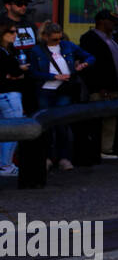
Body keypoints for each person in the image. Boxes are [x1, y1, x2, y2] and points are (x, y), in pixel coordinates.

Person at [33, 22, 93, 171]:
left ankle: (63, 157)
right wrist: (54, 76)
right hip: (46, 89)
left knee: (62, 125)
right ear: (45, 37)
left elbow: (90, 57)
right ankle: (47, 157)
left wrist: (84, 65)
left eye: (60, 38)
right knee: (46, 126)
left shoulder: (68, 46)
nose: (58, 42)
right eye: (54, 39)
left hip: (64, 89)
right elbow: (33, 73)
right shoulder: (36, 50)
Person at [79, 9, 118, 159]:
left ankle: (108, 148)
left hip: (117, 86)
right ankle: (100, 149)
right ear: (101, 21)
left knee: (111, 120)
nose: (114, 25)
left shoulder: (111, 38)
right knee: (101, 121)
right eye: (111, 22)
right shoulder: (90, 38)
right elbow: (92, 65)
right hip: (101, 88)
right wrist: (100, 87)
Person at [0, 24, 28, 176]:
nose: (15, 34)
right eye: (11, 31)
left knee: (6, 131)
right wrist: (17, 72)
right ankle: (6, 166)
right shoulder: (4, 52)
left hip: (7, 94)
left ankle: (4, 165)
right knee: (13, 131)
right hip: (8, 94)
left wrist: (14, 73)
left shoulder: (9, 50)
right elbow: (15, 71)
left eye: (16, 31)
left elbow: (13, 72)